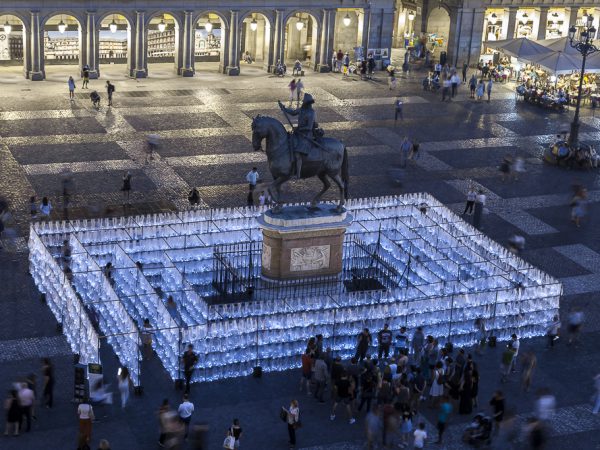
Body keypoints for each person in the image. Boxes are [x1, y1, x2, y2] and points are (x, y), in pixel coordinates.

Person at [278, 94, 318, 179]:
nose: (304, 104)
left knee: (298, 154)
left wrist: (298, 128)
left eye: (305, 103)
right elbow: (293, 113)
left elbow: (309, 127)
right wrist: (284, 108)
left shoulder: (311, 113)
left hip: (306, 135)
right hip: (299, 133)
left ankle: (298, 174)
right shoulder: (302, 109)